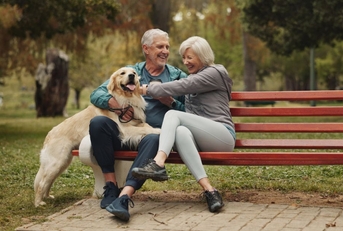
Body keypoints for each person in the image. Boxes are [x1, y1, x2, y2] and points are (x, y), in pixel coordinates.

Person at [89, 29, 187, 221]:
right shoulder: (131, 72)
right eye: (160, 46)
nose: (165, 51)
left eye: (167, 47)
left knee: (153, 137)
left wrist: (172, 103)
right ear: (146, 49)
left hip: (152, 138)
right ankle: (110, 187)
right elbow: (96, 94)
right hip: (126, 131)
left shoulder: (177, 76)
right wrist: (113, 105)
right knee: (98, 123)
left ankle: (124, 197)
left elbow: (192, 112)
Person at [131, 36, 236, 213]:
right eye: (184, 58)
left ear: (202, 56)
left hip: (222, 135)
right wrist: (172, 103)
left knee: (173, 116)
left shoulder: (214, 73)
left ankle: (158, 162)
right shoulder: (196, 77)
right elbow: (190, 114)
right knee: (179, 131)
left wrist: (145, 89)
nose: (186, 62)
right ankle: (210, 191)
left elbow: (182, 85)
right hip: (204, 137)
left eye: (190, 57)